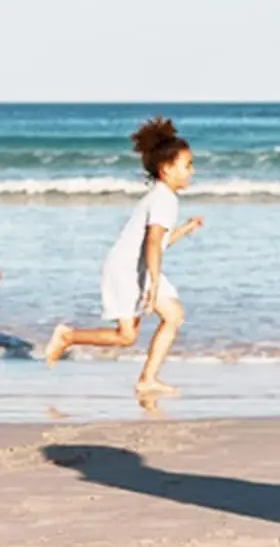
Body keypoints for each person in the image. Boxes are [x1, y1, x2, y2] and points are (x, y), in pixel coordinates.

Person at [44, 118, 204, 399]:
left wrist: (185, 229)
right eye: (188, 165)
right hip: (128, 271)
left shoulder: (161, 196)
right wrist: (153, 282)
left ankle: (142, 376)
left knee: (140, 330)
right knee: (157, 323)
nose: (193, 171)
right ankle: (71, 338)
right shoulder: (165, 199)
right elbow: (153, 242)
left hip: (136, 268)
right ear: (166, 169)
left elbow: (159, 242)